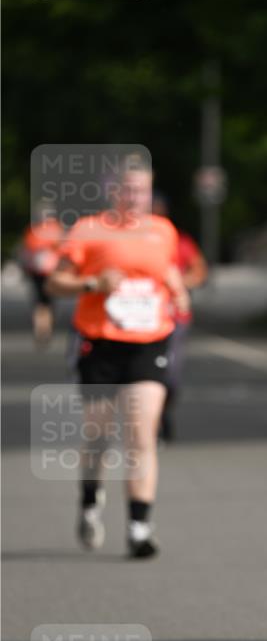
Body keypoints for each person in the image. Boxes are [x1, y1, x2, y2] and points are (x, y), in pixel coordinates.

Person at [46, 160, 189, 558]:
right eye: (127, 189)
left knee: (141, 435)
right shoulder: (88, 229)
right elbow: (55, 282)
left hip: (150, 342)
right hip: (100, 344)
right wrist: (93, 282)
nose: (134, 197)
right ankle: (90, 500)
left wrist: (179, 293)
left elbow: (167, 271)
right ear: (113, 192)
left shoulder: (162, 230)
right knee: (98, 435)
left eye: (141, 190)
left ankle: (139, 528)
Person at [152, 193, 208, 441]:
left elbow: (199, 271)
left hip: (174, 319)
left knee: (171, 377)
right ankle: (150, 422)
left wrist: (178, 285)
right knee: (144, 377)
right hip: (139, 325)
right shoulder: (129, 241)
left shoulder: (179, 240)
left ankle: (163, 411)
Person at [19, 204, 65, 344]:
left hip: (42, 271)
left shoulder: (37, 229)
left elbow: (27, 249)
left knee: (42, 302)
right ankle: (44, 329)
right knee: (45, 302)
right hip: (43, 272)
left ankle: (42, 329)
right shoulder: (51, 229)